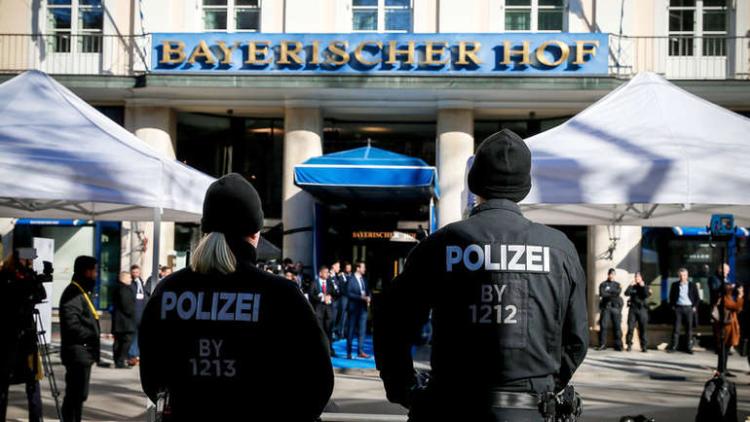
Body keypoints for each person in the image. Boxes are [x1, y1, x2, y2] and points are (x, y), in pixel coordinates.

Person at [374, 129, 588, 421]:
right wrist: (546, 388)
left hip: (452, 407)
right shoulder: (559, 250)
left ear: (474, 183)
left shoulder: (441, 244)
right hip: (530, 409)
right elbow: (576, 340)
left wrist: (404, 388)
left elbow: (391, 318)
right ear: (524, 187)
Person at [138, 173, 333, 421]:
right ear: (255, 233)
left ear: (205, 230)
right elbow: (318, 380)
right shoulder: (281, 294)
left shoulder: (168, 290)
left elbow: (152, 377)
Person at [0, 251, 46, 422]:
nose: (29, 262)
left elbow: (41, 294)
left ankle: (36, 418)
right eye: (26, 259)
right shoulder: (5, 276)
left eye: (30, 259)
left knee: (33, 380)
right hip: (8, 338)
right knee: (3, 381)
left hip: (28, 336)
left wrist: (33, 278)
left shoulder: (29, 276)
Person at [59, 255, 100, 422]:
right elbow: (72, 326)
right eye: (94, 271)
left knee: (79, 395)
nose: (96, 275)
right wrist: (92, 335)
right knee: (74, 395)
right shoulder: (73, 293)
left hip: (83, 353)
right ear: (86, 272)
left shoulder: (82, 292)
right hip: (77, 353)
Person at [668, 268, 700, 354]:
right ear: (678, 276)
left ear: (687, 276)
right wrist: (673, 306)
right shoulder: (675, 285)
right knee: (676, 329)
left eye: (684, 275)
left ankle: (688, 348)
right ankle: (674, 347)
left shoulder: (692, 285)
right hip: (678, 308)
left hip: (689, 308)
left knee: (689, 329)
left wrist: (694, 307)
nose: (682, 277)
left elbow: (697, 298)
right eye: (681, 275)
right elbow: (671, 297)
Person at [715, 281, 744, 374]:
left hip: (729, 325)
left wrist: (738, 302)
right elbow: (735, 307)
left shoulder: (729, 297)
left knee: (726, 349)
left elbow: (737, 309)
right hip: (726, 326)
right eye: (730, 287)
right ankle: (721, 369)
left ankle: (723, 369)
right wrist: (740, 297)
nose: (732, 288)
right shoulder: (724, 298)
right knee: (723, 348)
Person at [310, 265, 338, 355]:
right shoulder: (314, 283)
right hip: (319, 311)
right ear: (320, 273)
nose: (327, 274)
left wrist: (330, 297)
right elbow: (311, 295)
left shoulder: (330, 282)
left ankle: (330, 349)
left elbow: (335, 294)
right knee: (320, 331)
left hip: (328, 310)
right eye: (325, 272)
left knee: (329, 330)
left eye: (328, 272)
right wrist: (322, 298)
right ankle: (321, 350)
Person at [111, 271, 136, 369]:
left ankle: (118, 361)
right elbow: (127, 306)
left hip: (120, 321)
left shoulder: (119, 288)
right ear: (123, 278)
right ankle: (120, 360)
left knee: (119, 341)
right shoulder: (123, 289)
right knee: (126, 341)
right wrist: (133, 313)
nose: (130, 279)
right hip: (124, 321)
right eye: (129, 277)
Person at [346, 261, 370, 360]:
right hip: (353, 309)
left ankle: (360, 351)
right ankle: (349, 352)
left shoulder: (364, 279)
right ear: (358, 268)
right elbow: (349, 293)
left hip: (363, 309)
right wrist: (361, 297)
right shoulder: (351, 279)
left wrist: (369, 297)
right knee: (351, 330)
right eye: (363, 267)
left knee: (362, 331)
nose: (364, 269)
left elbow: (368, 291)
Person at [128, 264, 149, 366]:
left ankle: (137, 354)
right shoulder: (130, 284)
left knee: (140, 335)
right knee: (134, 335)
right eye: (134, 272)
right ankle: (132, 355)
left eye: (137, 272)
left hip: (142, 313)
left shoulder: (141, 283)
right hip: (134, 313)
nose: (135, 274)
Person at [597, 268, 623, 351]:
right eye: (610, 274)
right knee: (603, 326)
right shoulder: (603, 284)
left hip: (615, 308)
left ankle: (618, 345)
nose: (612, 276)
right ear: (608, 275)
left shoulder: (617, 284)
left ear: (615, 275)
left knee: (617, 326)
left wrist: (608, 291)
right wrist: (613, 293)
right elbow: (602, 294)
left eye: (613, 274)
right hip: (606, 307)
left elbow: (618, 293)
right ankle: (602, 344)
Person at [624, 272, 650, 352]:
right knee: (630, 328)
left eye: (638, 277)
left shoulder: (645, 286)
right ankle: (629, 344)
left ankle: (644, 346)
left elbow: (646, 295)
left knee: (643, 328)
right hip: (633, 309)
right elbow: (626, 293)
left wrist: (643, 286)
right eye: (635, 277)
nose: (636, 278)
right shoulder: (633, 286)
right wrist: (630, 285)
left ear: (641, 278)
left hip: (642, 309)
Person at [330, 260, 349, 339]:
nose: (339, 268)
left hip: (338, 300)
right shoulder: (328, 275)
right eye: (338, 266)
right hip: (332, 300)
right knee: (332, 318)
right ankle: (331, 333)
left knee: (337, 317)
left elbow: (342, 286)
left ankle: (336, 332)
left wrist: (343, 277)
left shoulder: (338, 276)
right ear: (333, 266)